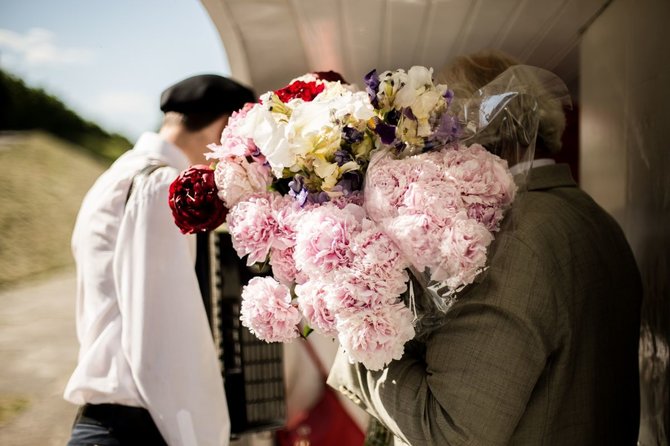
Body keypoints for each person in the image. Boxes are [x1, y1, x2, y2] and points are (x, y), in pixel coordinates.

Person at [327, 50, 643, 445]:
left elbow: (450, 431)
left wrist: (357, 333)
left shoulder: (509, 239)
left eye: (436, 136)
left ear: (472, 134)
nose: (432, 155)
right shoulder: (593, 217)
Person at [64, 74, 256, 445]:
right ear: (222, 129)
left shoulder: (117, 176)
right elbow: (166, 341)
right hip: (135, 428)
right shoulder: (159, 186)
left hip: (112, 423)